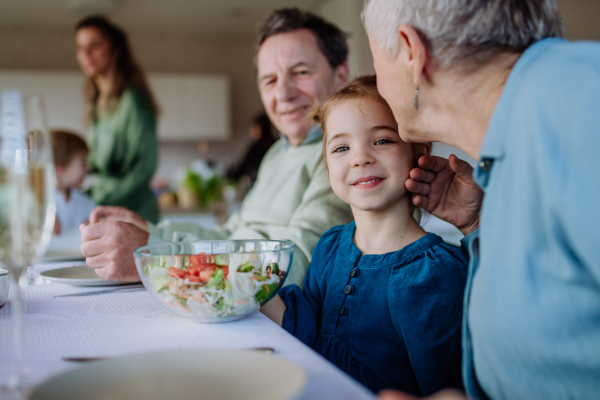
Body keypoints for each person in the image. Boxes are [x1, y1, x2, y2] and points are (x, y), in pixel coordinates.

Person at [361, 0, 600, 399]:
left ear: (410, 52)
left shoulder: (576, 101)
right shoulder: (523, 136)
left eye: (375, 59)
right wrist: (478, 223)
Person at [80, 8, 353, 286]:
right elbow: (229, 235)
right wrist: (149, 232)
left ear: (341, 74)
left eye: (301, 71)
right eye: (270, 80)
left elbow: (300, 266)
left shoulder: (342, 155)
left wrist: (159, 258)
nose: (283, 93)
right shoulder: (276, 153)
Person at [261, 76, 468, 395]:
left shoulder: (435, 275)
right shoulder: (330, 246)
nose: (360, 158)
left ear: (418, 152)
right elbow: (308, 330)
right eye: (341, 147)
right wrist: (245, 286)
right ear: (327, 167)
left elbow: (446, 390)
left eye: (382, 140)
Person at [75, 16, 160, 223]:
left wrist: (98, 202)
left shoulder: (133, 100)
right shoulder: (95, 101)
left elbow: (144, 168)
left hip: (133, 213)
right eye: (80, 47)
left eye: (94, 45)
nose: (86, 53)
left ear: (115, 51)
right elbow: (95, 163)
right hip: (105, 211)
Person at [51, 130, 97, 234]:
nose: (88, 168)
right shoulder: (37, 202)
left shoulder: (87, 204)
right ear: (59, 166)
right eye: (83, 162)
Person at [226, 112, 277, 185]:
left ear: (259, 128)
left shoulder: (256, 148)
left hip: (261, 185)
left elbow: (241, 169)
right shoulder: (277, 144)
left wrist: (229, 176)